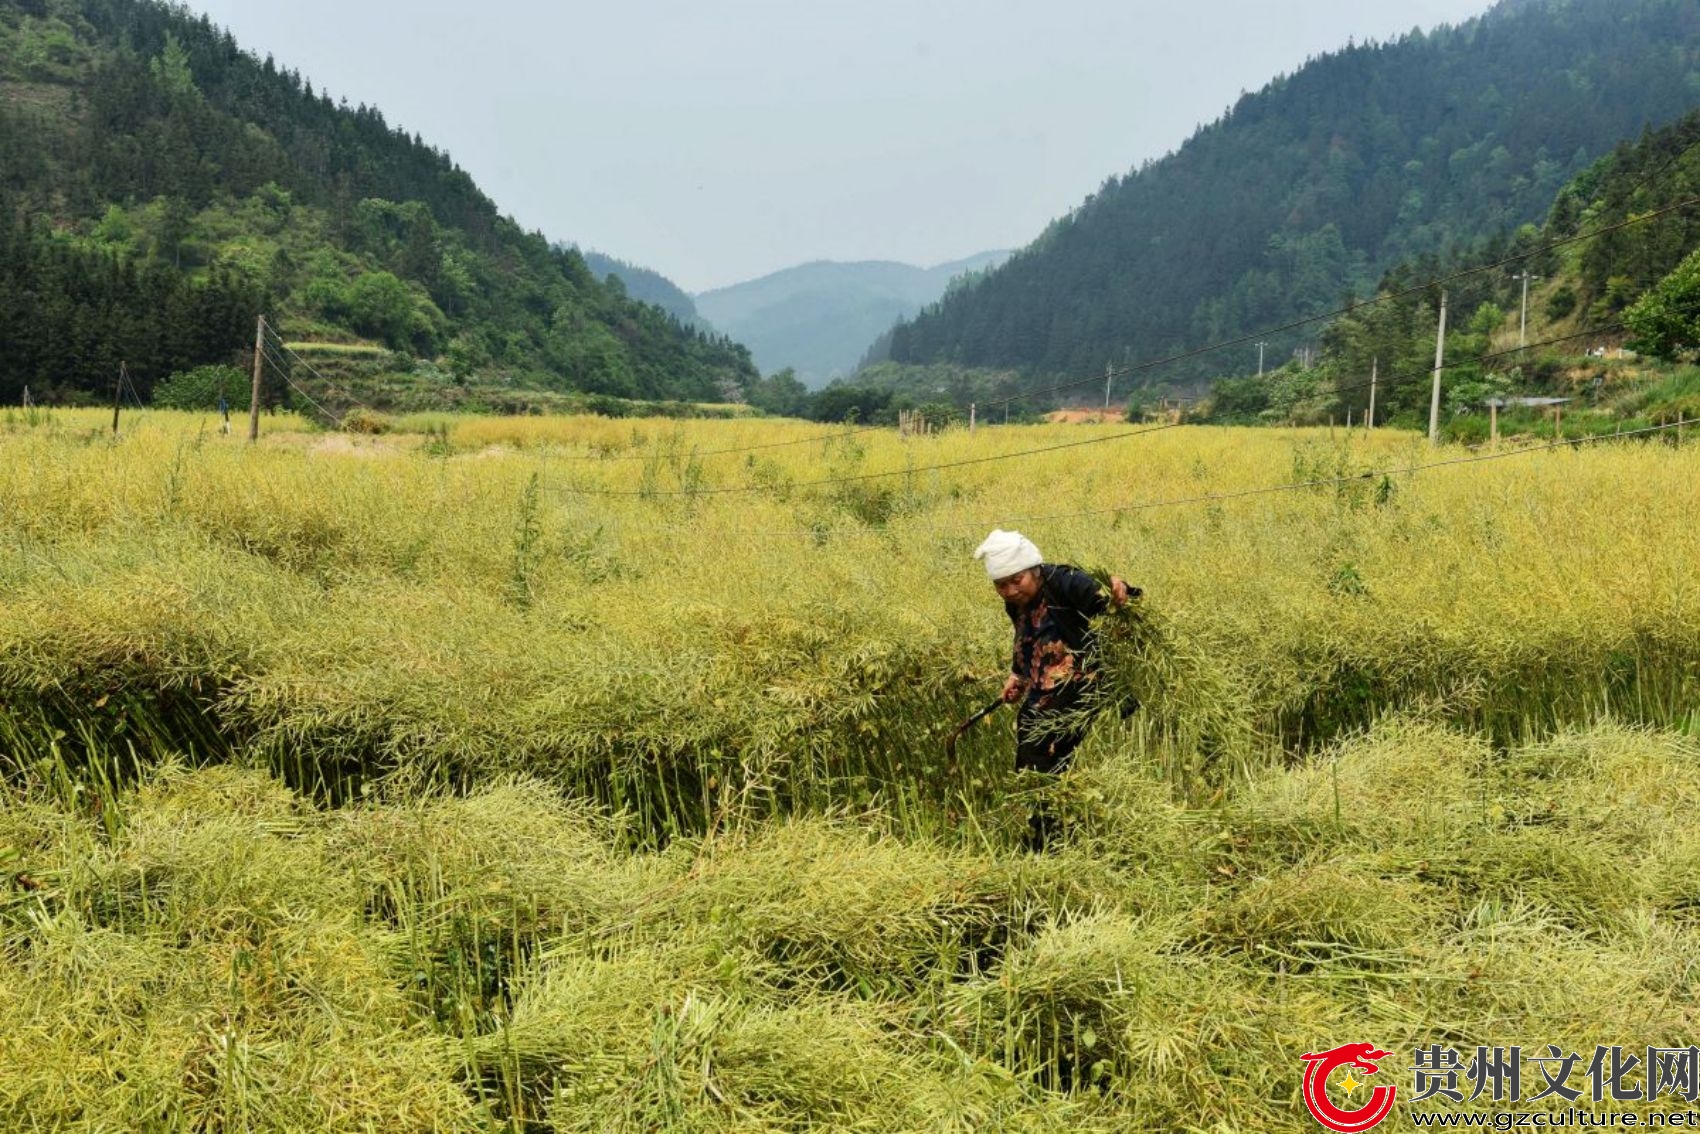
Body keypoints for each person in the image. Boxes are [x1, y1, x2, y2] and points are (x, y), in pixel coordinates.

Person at [974, 529, 1135, 847]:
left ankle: (1047, 841)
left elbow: (1106, 594)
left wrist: (1120, 589)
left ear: (1033, 569)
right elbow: (1027, 636)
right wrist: (1018, 675)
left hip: (1083, 683)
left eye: (1015, 580)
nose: (1009, 590)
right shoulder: (1016, 603)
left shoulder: (1064, 582)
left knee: (1040, 753)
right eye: (1001, 585)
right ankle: (1051, 829)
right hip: (1046, 687)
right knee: (1030, 750)